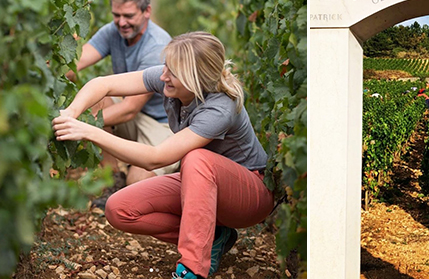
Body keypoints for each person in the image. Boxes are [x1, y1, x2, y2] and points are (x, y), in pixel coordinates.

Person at [52, 32, 273, 279]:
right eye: (166, 66)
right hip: (201, 183)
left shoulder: (220, 107)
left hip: (249, 193)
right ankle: (216, 237)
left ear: (195, 77)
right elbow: (104, 84)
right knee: (119, 209)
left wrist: (91, 132)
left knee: (196, 158)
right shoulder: (171, 80)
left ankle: (192, 269)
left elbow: (156, 157)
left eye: (173, 72)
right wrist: (70, 113)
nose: (163, 75)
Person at [66, 0, 175, 186]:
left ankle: (171, 166)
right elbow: (76, 63)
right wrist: (55, 60)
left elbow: (128, 110)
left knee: (137, 186)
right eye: (116, 15)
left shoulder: (156, 46)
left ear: (147, 11)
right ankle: (112, 179)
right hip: (134, 119)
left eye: (129, 16)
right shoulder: (112, 32)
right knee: (95, 97)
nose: (122, 22)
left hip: (162, 125)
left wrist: (81, 126)